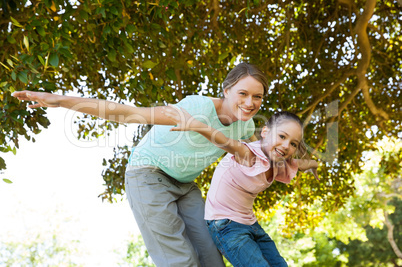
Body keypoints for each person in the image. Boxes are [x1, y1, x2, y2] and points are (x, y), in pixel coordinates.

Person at [12, 63, 269, 267]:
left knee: (213, 257)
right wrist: (59, 100)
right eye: (243, 93)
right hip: (148, 176)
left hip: (186, 186)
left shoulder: (245, 126)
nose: (249, 103)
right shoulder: (195, 106)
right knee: (180, 261)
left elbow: (259, 160)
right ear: (226, 91)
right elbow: (128, 113)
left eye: (257, 97)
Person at [163, 107, 319, 267]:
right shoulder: (249, 154)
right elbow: (223, 141)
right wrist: (194, 124)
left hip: (251, 224)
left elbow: (300, 164)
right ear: (265, 132)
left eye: (293, 143)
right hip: (226, 225)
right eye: (282, 136)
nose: (286, 146)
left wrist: (315, 164)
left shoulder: (279, 162)